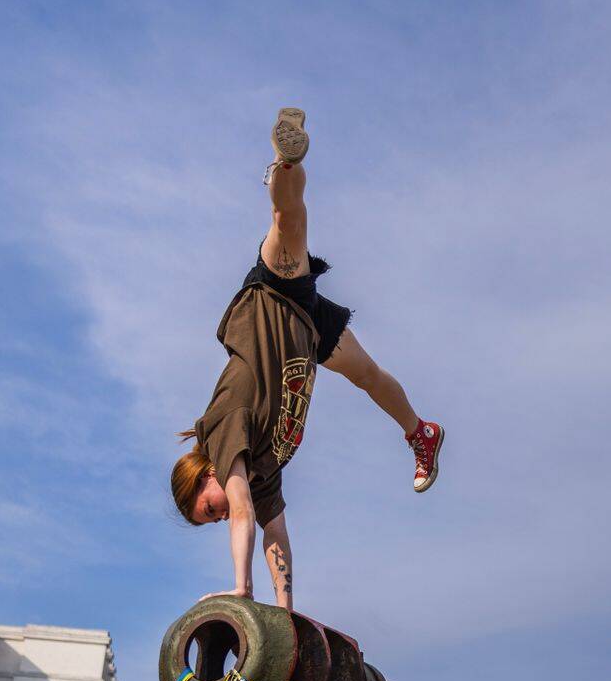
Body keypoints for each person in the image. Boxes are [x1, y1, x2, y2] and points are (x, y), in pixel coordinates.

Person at [170, 108, 445, 608]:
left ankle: (285, 159)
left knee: (287, 220)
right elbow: (276, 534)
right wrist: (284, 613)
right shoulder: (263, 471)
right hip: (307, 330)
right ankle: (420, 432)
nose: (219, 516)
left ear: (204, 477)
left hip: (276, 298)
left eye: (208, 510)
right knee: (368, 376)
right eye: (212, 519)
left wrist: (242, 589)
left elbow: (241, 513)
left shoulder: (221, 432)